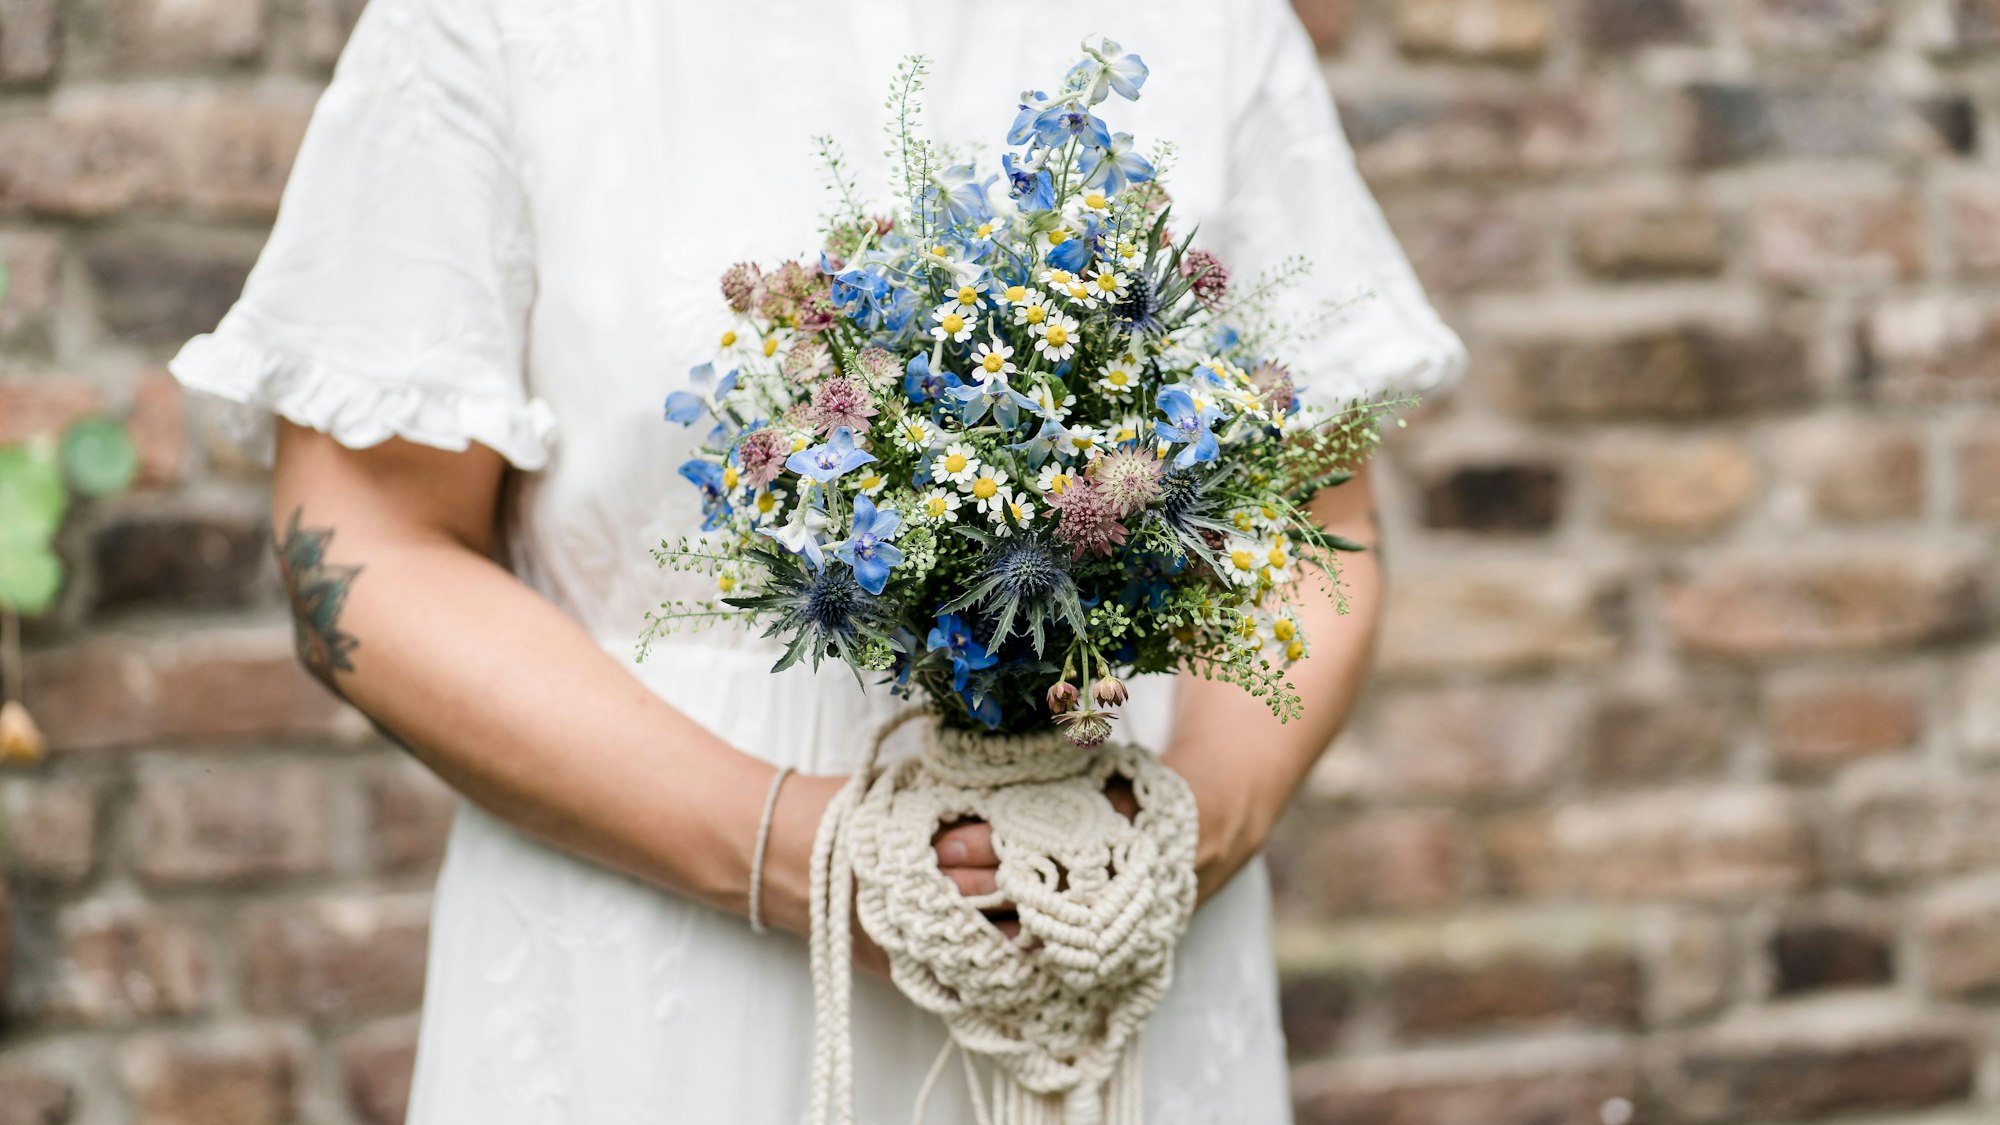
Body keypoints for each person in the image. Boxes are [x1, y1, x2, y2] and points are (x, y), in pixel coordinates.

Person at [168, 0, 1465, 1119]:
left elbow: (1312, 520)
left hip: (1108, 938)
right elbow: (367, 542)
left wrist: (1189, 827)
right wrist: (807, 851)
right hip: (667, 952)